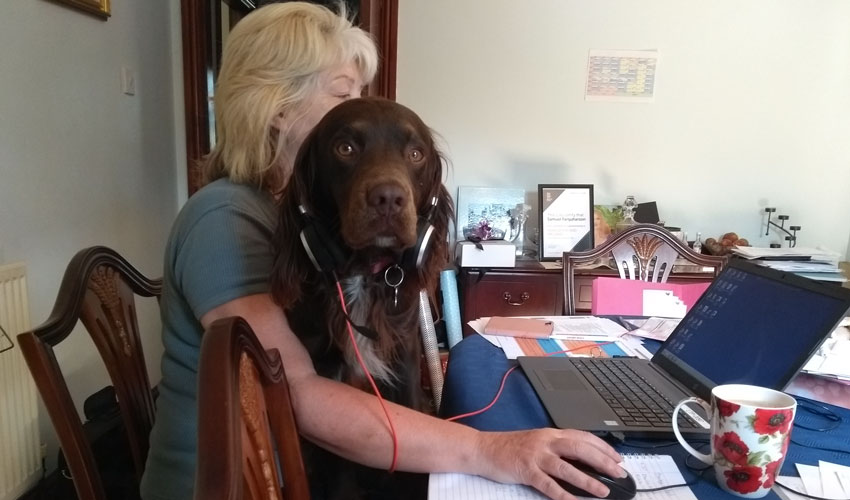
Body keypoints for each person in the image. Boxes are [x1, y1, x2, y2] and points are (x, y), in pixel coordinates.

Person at [141, 3, 625, 500]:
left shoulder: (301, 218)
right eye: (343, 94)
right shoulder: (224, 217)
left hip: (308, 471)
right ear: (278, 106)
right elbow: (302, 396)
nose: (362, 111)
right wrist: (488, 450)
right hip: (238, 487)